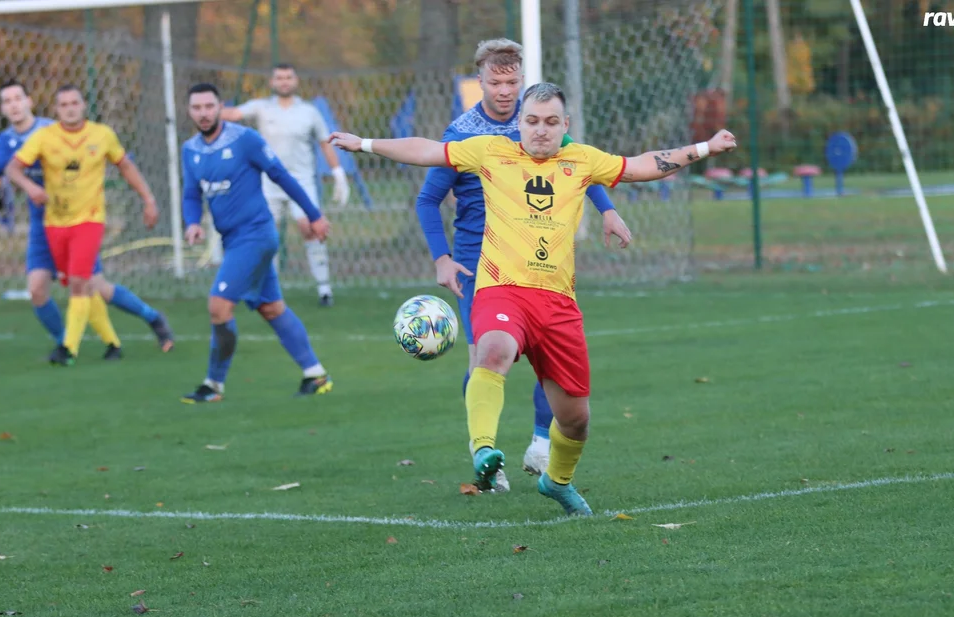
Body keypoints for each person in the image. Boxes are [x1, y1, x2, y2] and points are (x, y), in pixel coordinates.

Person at [332, 82, 737, 516]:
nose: (540, 131)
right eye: (531, 121)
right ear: (519, 123)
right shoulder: (489, 150)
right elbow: (427, 149)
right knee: (492, 351)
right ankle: (484, 450)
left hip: (559, 305)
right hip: (500, 288)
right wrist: (366, 144)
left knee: (576, 419)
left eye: (549, 122)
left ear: (565, 125)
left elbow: (642, 166)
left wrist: (705, 148)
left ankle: (557, 482)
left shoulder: (581, 159)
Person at [415, 39, 633, 491]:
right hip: (480, 260)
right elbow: (428, 199)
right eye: (496, 82)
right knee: (485, 358)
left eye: (513, 81)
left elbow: (577, 165)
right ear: (480, 83)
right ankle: (485, 457)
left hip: (534, 251)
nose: (505, 91)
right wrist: (443, 259)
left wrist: (608, 209)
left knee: (546, 354)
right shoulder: (463, 133)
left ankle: (539, 441)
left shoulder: (534, 120)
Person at [180, 82, 334, 403]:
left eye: (210, 106)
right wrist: (193, 222)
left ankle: (213, 385)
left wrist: (314, 215)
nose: (204, 113)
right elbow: (191, 193)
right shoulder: (190, 150)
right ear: (189, 111)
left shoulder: (245, 140)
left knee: (218, 306)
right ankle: (315, 374)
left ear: (221, 107)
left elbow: (281, 176)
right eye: (197, 108)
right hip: (233, 239)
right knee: (271, 307)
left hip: (256, 235)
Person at [6, 84, 165, 365]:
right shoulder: (44, 137)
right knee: (88, 285)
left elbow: (125, 165)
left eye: (74, 102)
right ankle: (114, 343)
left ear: (83, 105)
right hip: (54, 223)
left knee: (79, 282)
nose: (70, 108)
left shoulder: (102, 135)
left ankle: (68, 349)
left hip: (90, 220)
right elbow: (11, 168)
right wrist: (31, 188)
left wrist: (148, 199)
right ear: (56, 110)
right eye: (64, 104)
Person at [220, 63, 349, 307]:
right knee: (265, 234)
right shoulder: (261, 107)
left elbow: (325, 142)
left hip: (301, 182)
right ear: (272, 82)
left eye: (288, 77)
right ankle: (269, 289)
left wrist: (338, 172)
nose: (284, 81)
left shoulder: (308, 111)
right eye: (279, 78)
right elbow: (234, 114)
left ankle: (324, 289)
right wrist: (212, 110)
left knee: (310, 229)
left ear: (295, 80)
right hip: (267, 184)